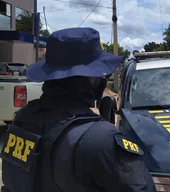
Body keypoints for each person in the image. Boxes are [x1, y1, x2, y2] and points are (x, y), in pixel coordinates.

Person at [0, 27, 156, 192]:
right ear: (90, 77)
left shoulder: (24, 118)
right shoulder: (100, 139)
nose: (103, 77)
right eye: (100, 72)